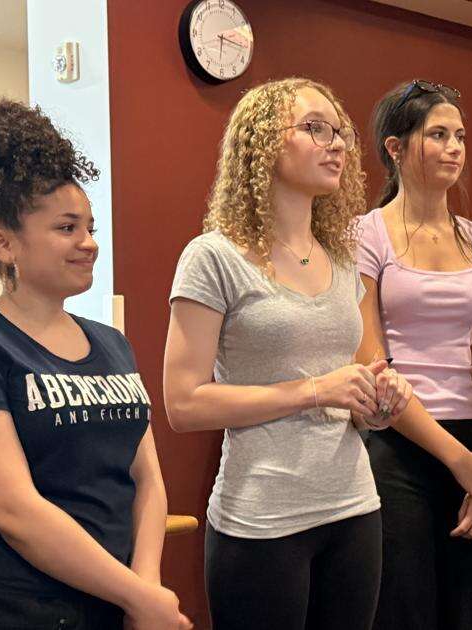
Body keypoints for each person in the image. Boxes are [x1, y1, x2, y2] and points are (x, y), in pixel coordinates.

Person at [162, 77, 419, 630]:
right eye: (315, 128)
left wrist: (376, 401)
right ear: (262, 144)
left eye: (340, 132)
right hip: (261, 519)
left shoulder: (343, 259)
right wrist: (315, 390)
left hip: (354, 508)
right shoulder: (213, 257)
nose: (337, 144)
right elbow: (183, 404)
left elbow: (353, 395)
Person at [0, 100, 191, 629]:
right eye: (67, 228)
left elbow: (146, 478)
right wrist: (137, 597)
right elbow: (14, 511)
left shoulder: (112, 344)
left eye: (90, 227)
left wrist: (144, 588)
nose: (89, 243)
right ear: (4, 244)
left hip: (114, 598)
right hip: (12, 606)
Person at [357, 79, 472, 630]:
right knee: (406, 611)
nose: (454, 148)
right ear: (395, 148)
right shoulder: (365, 235)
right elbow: (373, 367)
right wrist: (459, 463)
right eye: (438, 135)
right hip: (399, 447)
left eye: (460, 136)